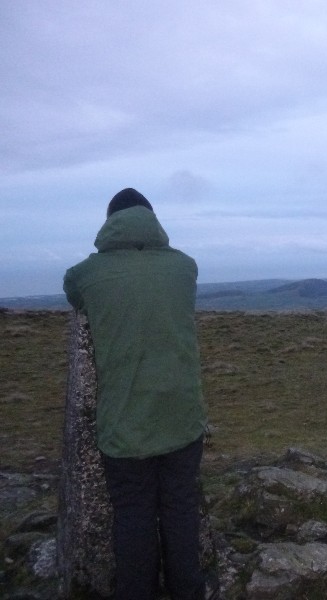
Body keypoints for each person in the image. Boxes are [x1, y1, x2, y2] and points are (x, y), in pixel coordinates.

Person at [63, 188, 209, 600]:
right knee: (180, 509)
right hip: (182, 418)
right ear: (153, 220)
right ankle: (188, 592)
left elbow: (74, 294)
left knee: (133, 516)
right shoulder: (185, 267)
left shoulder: (86, 274)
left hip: (125, 425)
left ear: (110, 224)